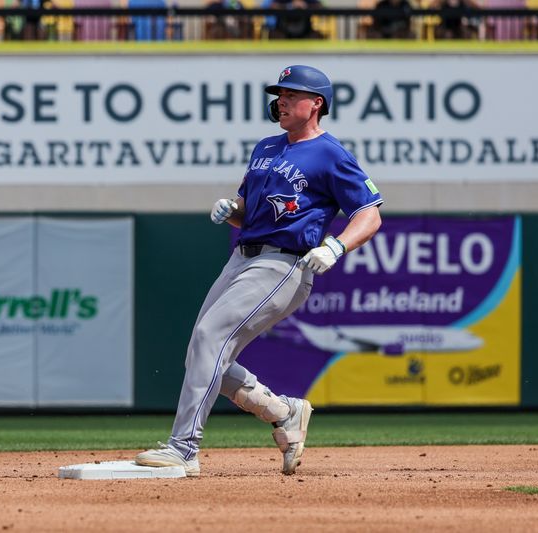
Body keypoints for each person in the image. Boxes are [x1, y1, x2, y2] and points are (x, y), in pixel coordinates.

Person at [136, 65, 383, 477]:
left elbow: (369, 214)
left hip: (285, 262)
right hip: (243, 255)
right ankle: (283, 411)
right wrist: (232, 211)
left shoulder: (331, 153)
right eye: (279, 93)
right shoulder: (267, 147)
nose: (281, 100)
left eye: (291, 93)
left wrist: (337, 245)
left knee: (209, 338)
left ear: (316, 103)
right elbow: (249, 212)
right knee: (202, 352)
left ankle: (183, 448)